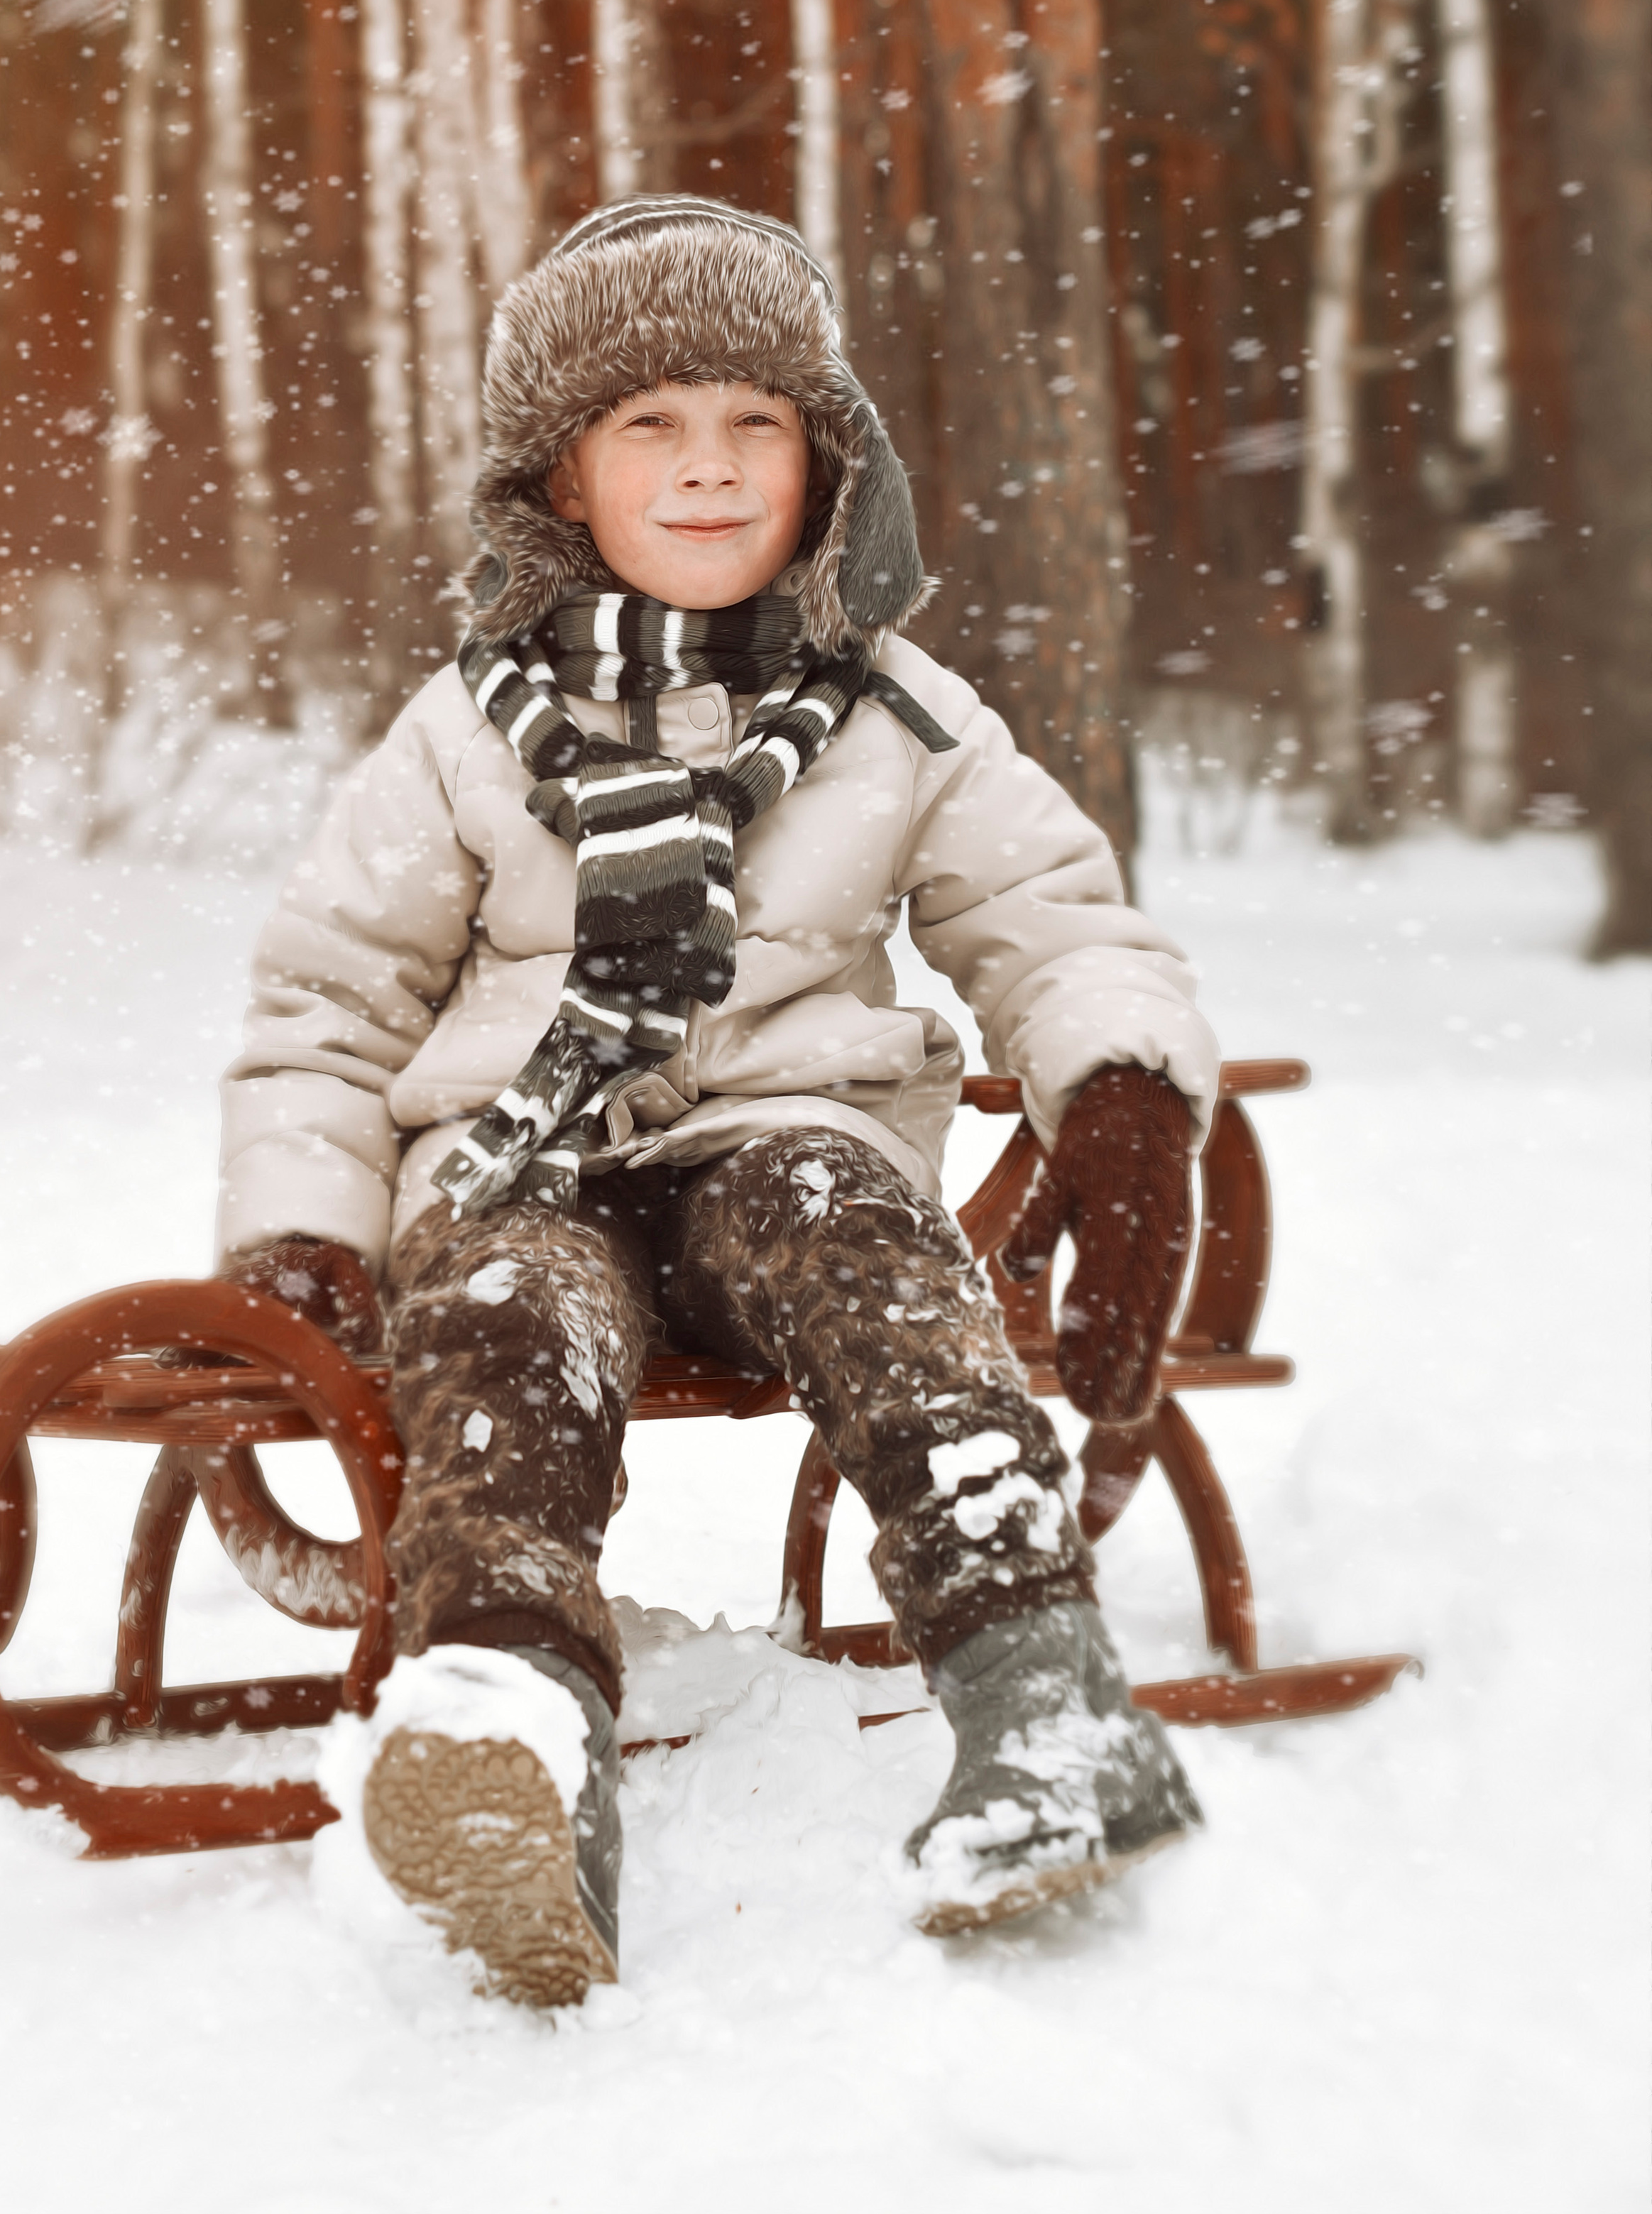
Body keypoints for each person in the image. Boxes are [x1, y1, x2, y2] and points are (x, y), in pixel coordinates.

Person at [220, 197, 1218, 2007]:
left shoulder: (897, 714)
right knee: (509, 1331)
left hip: (789, 1138)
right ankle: (508, 1731)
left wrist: (1123, 1099)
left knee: (870, 1260)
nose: (704, 471)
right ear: (561, 479)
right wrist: (301, 1226)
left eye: (753, 423)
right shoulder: (461, 733)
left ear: (825, 464)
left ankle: (1041, 1698)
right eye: (647, 428)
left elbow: (1052, 921)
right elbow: (330, 1005)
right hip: (526, 1156)